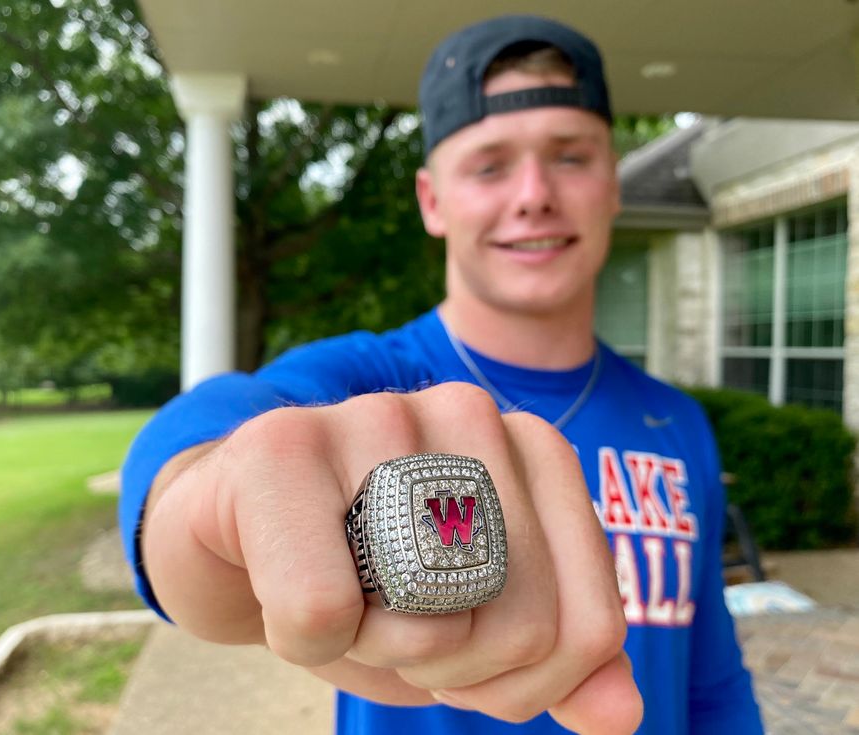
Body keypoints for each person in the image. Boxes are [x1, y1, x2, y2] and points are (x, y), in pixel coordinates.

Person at [119, 14, 764, 735]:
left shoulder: (676, 421)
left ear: (614, 182)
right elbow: (206, 437)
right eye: (489, 165)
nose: (533, 195)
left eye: (571, 156)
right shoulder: (368, 381)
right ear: (432, 200)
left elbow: (712, 682)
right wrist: (210, 503)